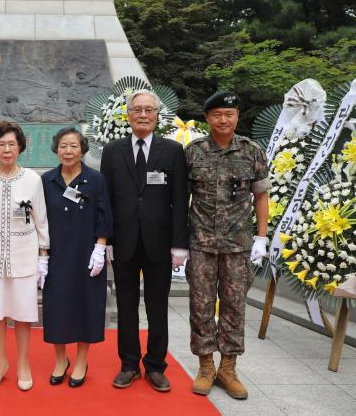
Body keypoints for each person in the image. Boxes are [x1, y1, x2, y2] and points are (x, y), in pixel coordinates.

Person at [100, 90, 189, 392]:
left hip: (159, 243)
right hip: (123, 241)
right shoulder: (113, 151)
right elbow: (106, 200)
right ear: (127, 114)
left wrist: (179, 244)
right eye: (136, 109)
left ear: (156, 115)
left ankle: (155, 365)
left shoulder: (173, 150)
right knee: (126, 305)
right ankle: (128, 364)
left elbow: (179, 199)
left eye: (148, 110)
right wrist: (106, 240)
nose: (142, 115)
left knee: (157, 306)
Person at [185, 91, 269, 400]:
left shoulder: (251, 151)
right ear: (207, 118)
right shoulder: (193, 152)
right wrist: (179, 242)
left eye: (229, 114)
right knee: (201, 306)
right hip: (201, 244)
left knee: (234, 307)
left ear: (237, 117)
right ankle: (206, 366)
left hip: (238, 245)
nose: (223, 120)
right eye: (217, 114)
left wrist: (261, 237)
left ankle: (228, 368)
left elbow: (261, 195)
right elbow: (182, 199)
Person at [0, 121, 49, 391]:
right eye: (1, 144)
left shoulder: (32, 179)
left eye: (12, 144)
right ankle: (0, 362)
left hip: (23, 255)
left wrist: (44, 254)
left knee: (22, 313)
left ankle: (22, 364)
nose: (7, 149)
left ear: (20, 148)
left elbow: (40, 219)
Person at [41, 128, 113, 387]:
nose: (68, 151)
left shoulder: (96, 179)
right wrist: (42, 255)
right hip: (57, 255)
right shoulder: (47, 180)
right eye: (63, 146)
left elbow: (105, 216)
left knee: (87, 306)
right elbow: (39, 220)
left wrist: (100, 249)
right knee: (56, 306)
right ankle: (61, 359)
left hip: (87, 254)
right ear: (56, 149)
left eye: (73, 146)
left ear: (82, 149)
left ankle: (81, 359)